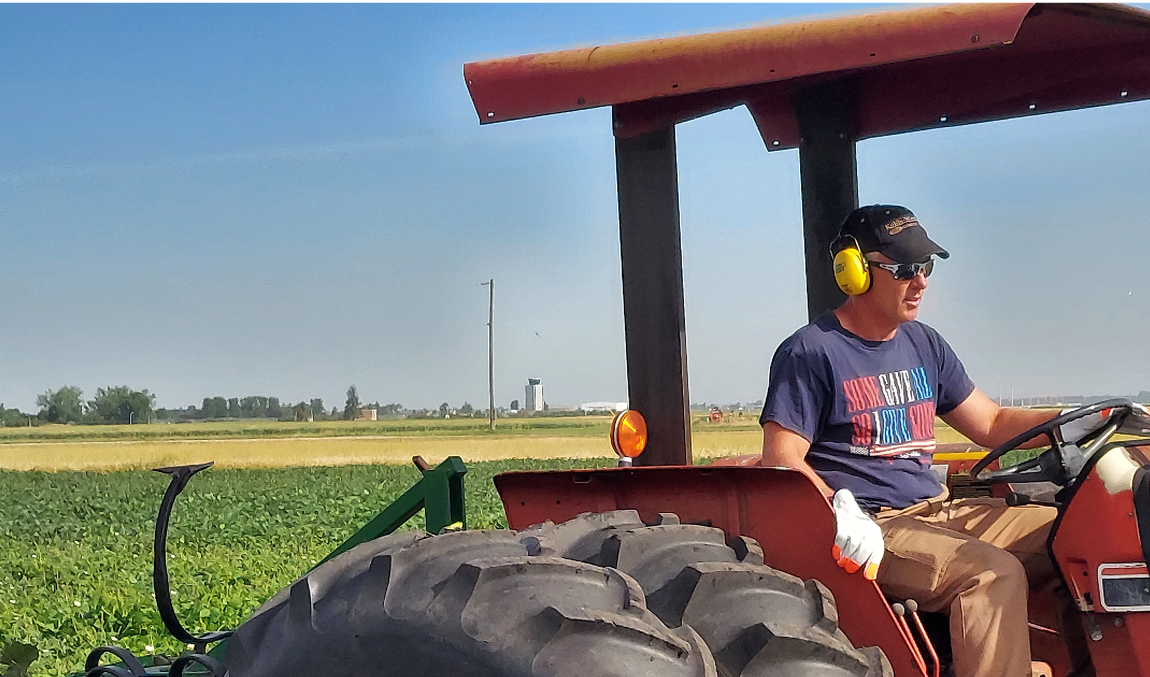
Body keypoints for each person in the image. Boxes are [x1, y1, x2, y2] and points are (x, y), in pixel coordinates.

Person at [758, 205, 1111, 677]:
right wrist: (840, 507)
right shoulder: (811, 351)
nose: (921, 281)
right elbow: (781, 460)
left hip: (940, 511)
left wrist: (1080, 419)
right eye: (904, 269)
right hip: (874, 527)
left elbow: (991, 422)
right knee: (991, 574)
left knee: (1086, 537)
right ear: (854, 270)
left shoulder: (924, 343)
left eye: (926, 267)